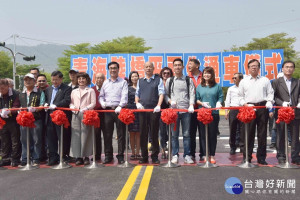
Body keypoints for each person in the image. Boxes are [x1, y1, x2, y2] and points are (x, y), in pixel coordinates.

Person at [238, 59, 274, 165]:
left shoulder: (265, 80)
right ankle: (247, 157)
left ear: (259, 68)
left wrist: (269, 101)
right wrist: (245, 104)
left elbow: (270, 93)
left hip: (262, 107)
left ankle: (261, 157)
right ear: (248, 68)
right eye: (252, 66)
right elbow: (240, 96)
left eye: (256, 66)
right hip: (249, 108)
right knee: (248, 133)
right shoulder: (243, 81)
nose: (254, 67)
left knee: (262, 134)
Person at [165, 58, 195, 164]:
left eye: (179, 65)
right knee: (174, 135)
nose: (177, 67)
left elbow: (192, 93)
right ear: (173, 67)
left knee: (187, 134)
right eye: (175, 65)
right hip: (174, 111)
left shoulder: (188, 80)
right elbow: (165, 94)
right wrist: (169, 101)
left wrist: (191, 105)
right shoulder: (170, 80)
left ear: (183, 67)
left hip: (186, 110)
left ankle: (187, 155)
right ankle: (175, 155)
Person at [135, 61, 164, 164]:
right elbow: (137, 93)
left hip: (154, 110)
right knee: (143, 134)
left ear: (153, 68)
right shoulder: (140, 81)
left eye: (150, 67)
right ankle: (144, 156)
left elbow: (161, 93)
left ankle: (155, 156)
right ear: (144, 68)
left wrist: (158, 105)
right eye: (146, 67)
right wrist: (137, 103)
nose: (148, 68)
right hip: (142, 110)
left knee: (154, 134)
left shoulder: (158, 80)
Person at [99, 62, 128, 164]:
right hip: (108, 111)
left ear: (118, 69)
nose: (113, 70)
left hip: (119, 110)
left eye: (115, 68)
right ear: (108, 70)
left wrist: (120, 106)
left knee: (121, 134)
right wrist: (102, 102)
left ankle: (120, 155)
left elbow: (124, 96)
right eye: (111, 68)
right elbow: (101, 96)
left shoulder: (123, 82)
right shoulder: (105, 83)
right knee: (107, 134)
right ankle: (108, 155)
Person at [272, 60, 300, 165]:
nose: (289, 69)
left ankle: (295, 156)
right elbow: (273, 96)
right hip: (281, 112)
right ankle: (281, 156)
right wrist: (281, 102)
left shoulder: (297, 81)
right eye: (287, 67)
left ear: (293, 69)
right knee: (281, 135)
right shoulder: (276, 82)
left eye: (291, 67)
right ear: (282, 69)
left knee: (295, 136)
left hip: (295, 112)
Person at [196, 66, 223, 164]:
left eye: (208, 73)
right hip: (202, 113)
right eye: (205, 73)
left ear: (212, 75)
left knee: (212, 135)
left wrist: (219, 103)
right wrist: (202, 103)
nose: (206, 75)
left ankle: (212, 155)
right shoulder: (199, 86)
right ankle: (205, 154)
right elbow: (197, 99)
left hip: (213, 114)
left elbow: (220, 97)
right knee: (203, 135)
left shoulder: (217, 86)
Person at [44, 71, 72, 166]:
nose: (54, 82)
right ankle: (53, 157)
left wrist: (56, 105)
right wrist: (46, 104)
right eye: (52, 80)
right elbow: (47, 99)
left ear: (61, 79)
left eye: (56, 80)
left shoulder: (67, 88)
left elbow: (67, 100)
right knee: (51, 138)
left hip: (61, 116)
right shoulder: (48, 89)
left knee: (62, 137)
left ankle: (63, 156)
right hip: (50, 116)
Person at [69, 72, 96, 165]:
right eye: (79, 79)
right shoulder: (74, 91)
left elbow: (93, 103)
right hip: (76, 114)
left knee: (86, 135)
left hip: (87, 114)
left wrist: (86, 108)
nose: (81, 80)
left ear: (86, 80)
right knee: (76, 135)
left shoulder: (91, 90)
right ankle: (78, 156)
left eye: (83, 78)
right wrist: (72, 107)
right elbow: (71, 102)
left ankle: (86, 156)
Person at [19, 73, 45, 166]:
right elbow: (19, 105)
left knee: (36, 139)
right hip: (23, 120)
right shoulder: (21, 93)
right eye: (26, 80)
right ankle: (25, 158)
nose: (27, 81)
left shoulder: (40, 92)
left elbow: (42, 105)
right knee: (24, 139)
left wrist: (35, 109)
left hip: (36, 119)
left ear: (34, 81)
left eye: (30, 80)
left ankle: (36, 158)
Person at [0, 79, 21, 167]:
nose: (1, 91)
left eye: (3, 88)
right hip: (2, 120)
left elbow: (16, 106)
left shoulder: (15, 94)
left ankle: (15, 158)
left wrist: (9, 111)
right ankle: (5, 158)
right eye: (0, 89)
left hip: (13, 120)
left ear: (8, 86)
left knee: (15, 140)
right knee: (4, 140)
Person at [188, 58, 204, 161]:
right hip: (191, 109)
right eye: (188, 64)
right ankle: (192, 153)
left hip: (202, 109)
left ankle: (203, 153)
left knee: (203, 132)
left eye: (190, 64)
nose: (189, 66)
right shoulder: (186, 78)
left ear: (197, 66)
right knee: (191, 133)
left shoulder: (205, 76)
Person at [225, 72, 243, 155]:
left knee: (243, 129)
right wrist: (226, 111)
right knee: (233, 128)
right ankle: (232, 146)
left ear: (241, 79)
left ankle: (242, 146)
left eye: (235, 78)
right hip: (233, 109)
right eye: (233, 78)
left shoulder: (244, 88)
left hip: (243, 109)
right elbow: (228, 100)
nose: (234, 79)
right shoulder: (231, 88)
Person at [159, 67, 173, 159]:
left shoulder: (172, 82)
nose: (166, 75)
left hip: (171, 109)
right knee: (162, 131)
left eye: (168, 73)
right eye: (164, 73)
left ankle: (170, 150)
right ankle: (163, 150)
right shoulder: (158, 83)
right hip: (160, 110)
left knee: (171, 132)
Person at [91, 72, 105, 161]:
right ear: (95, 79)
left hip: (106, 115)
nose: (99, 79)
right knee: (96, 136)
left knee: (107, 135)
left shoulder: (107, 89)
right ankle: (97, 154)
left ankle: (108, 155)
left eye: (101, 78)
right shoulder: (91, 90)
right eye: (97, 78)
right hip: (95, 115)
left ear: (104, 80)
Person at [127, 71, 141, 160]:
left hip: (140, 111)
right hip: (131, 112)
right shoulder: (128, 88)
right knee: (132, 133)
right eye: (133, 76)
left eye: (136, 76)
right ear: (130, 78)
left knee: (139, 133)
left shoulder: (141, 87)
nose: (134, 78)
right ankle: (132, 152)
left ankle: (138, 152)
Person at [36, 74, 49, 162]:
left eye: (43, 81)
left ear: (46, 81)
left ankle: (48, 154)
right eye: (39, 81)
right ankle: (40, 155)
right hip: (38, 117)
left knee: (48, 137)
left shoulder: (50, 89)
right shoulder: (35, 91)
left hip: (48, 116)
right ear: (37, 82)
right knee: (38, 138)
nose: (41, 82)